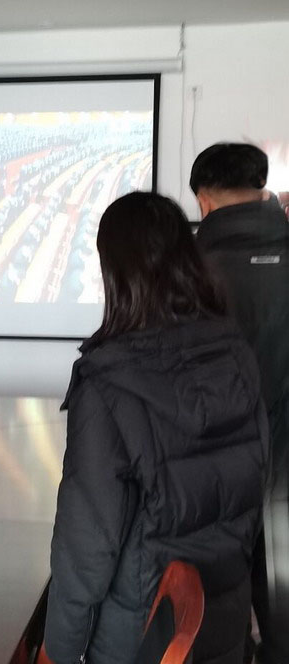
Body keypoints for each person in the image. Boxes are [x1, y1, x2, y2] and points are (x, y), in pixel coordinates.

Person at [43, 192, 268, 663]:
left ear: (115, 275)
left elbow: (87, 551)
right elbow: (254, 487)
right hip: (221, 624)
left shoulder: (109, 384)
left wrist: (57, 653)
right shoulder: (237, 355)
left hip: (139, 639)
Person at [190, 143, 289, 664]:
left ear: (204, 200)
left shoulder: (187, 267)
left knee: (219, 597)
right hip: (286, 458)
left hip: (215, 462)